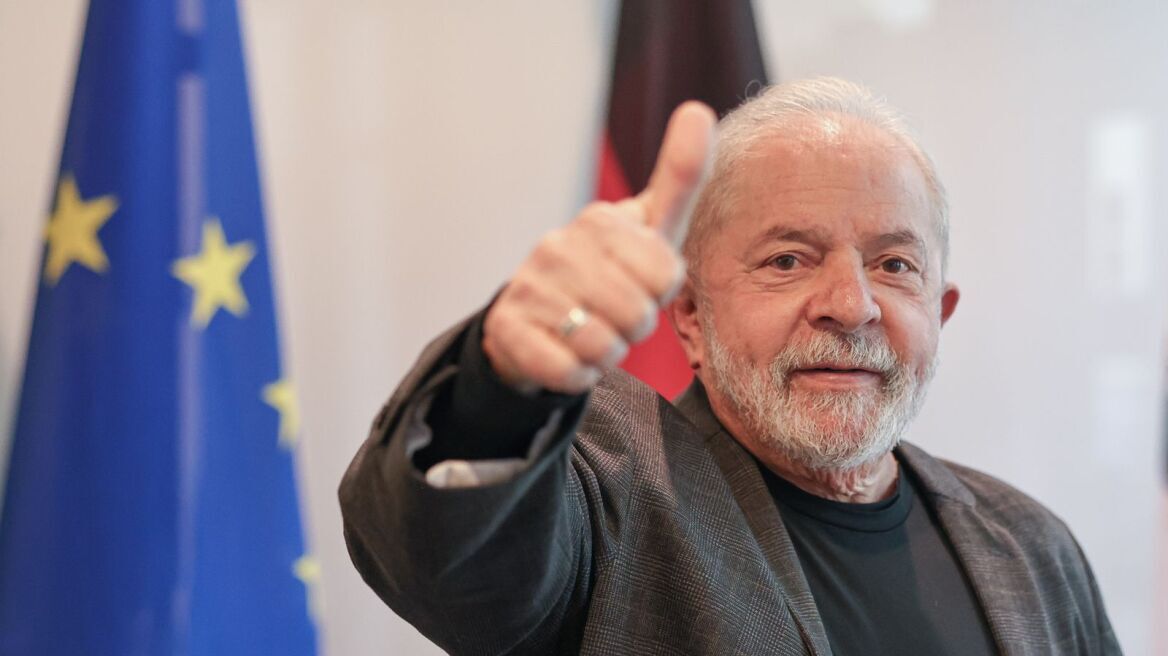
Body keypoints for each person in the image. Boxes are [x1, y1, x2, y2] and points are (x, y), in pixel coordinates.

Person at [339, 77, 1120, 655]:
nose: (851, 305)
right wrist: (498, 389)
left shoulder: (1031, 545)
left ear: (939, 314)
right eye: (788, 259)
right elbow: (443, 558)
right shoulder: (613, 485)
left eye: (894, 265)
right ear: (689, 314)